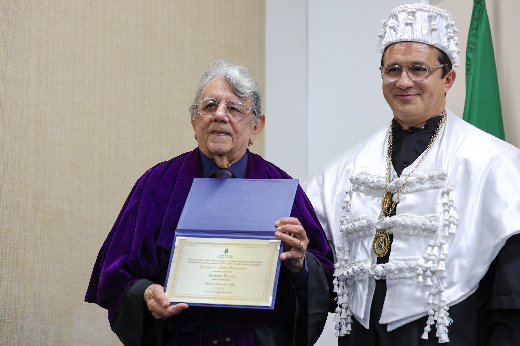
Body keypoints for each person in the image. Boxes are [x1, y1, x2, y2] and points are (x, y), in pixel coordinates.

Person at [304, 1, 520, 345]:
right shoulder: (346, 168)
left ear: (448, 78)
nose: (404, 81)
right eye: (393, 70)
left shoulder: (495, 164)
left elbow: (511, 298)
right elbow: (313, 265)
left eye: (418, 69)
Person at [85, 60, 334, 346]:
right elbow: (116, 273)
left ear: (256, 126)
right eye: (209, 105)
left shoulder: (282, 190)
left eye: (234, 108)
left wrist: (300, 264)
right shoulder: (156, 185)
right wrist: (144, 294)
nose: (220, 115)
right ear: (194, 121)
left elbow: (324, 279)